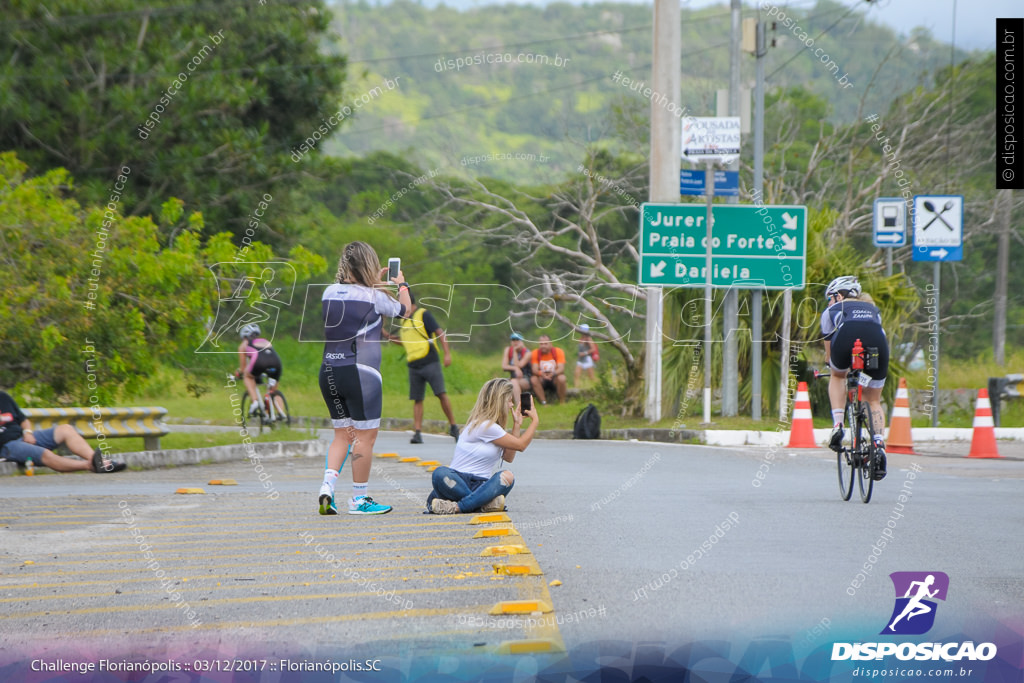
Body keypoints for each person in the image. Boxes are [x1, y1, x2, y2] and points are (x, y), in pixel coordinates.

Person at [318, 241, 412, 515]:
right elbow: (405, 311)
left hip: (329, 370)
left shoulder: (328, 292)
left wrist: (375, 286)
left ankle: (327, 487)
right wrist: (401, 285)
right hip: (362, 373)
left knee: (341, 436)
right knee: (364, 438)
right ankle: (359, 499)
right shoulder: (375, 297)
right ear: (369, 264)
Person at [426, 378, 539, 514]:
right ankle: (479, 505)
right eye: (509, 401)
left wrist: (517, 425)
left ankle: (455, 506)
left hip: (482, 486)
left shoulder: (495, 429)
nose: (511, 405)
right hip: (458, 482)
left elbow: (509, 457)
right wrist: (535, 421)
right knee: (440, 473)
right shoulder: (485, 426)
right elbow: (521, 446)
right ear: (500, 402)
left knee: (508, 477)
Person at [821, 275, 889, 480]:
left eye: (830, 298)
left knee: (837, 375)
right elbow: (882, 335)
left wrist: (831, 363)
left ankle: (838, 425)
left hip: (846, 338)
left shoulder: (832, 311)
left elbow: (829, 351)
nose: (830, 302)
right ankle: (878, 443)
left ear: (839, 296)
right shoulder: (874, 310)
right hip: (877, 344)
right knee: (873, 399)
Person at [0, 390, 126, 473]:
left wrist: (27, 432)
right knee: (45, 454)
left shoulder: (4, 397)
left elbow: (23, 420)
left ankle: (98, 460)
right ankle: (90, 466)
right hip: (7, 446)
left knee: (66, 429)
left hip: (23, 437)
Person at [392, 291, 459, 444]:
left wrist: (447, 354)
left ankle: (454, 426)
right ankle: (417, 432)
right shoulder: (403, 321)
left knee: (441, 393)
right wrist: (388, 336)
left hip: (430, 361)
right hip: (413, 365)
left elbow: (440, 333)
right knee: (417, 398)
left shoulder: (423, 314)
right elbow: (406, 342)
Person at [236, 323, 285, 417]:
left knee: (247, 376)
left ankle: (255, 401)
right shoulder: (265, 341)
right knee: (273, 391)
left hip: (259, 362)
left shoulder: (243, 345)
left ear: (244, 336)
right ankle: (281, 413)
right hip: (276, 363)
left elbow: (243, 368)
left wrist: (238, 373)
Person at [529, 335, 567, 404]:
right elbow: (534, 369)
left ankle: (562, 401)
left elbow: (561, 368)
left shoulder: (558, 351)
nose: (543, 346)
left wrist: (553, 374)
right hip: (542, 378)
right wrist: (542, 374)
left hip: (554, 377)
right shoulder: (535, 353)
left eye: (546, 344)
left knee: (562, 378)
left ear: (551, 344)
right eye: (541, 344)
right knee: (533, 379)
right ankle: (544, 402)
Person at [500, 332, 532, 407]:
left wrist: (515, 351)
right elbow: (504, 366)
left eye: (517, 340)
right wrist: (514, 368)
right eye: (513, 340)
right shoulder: (508, 350)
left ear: (522, 341)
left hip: (525, 379)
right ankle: (500, 406)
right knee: (499, 382)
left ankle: (519, 406)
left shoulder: (527, 353)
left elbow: (519, 365)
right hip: (513, 378)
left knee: (513, 381)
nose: (515, 342)